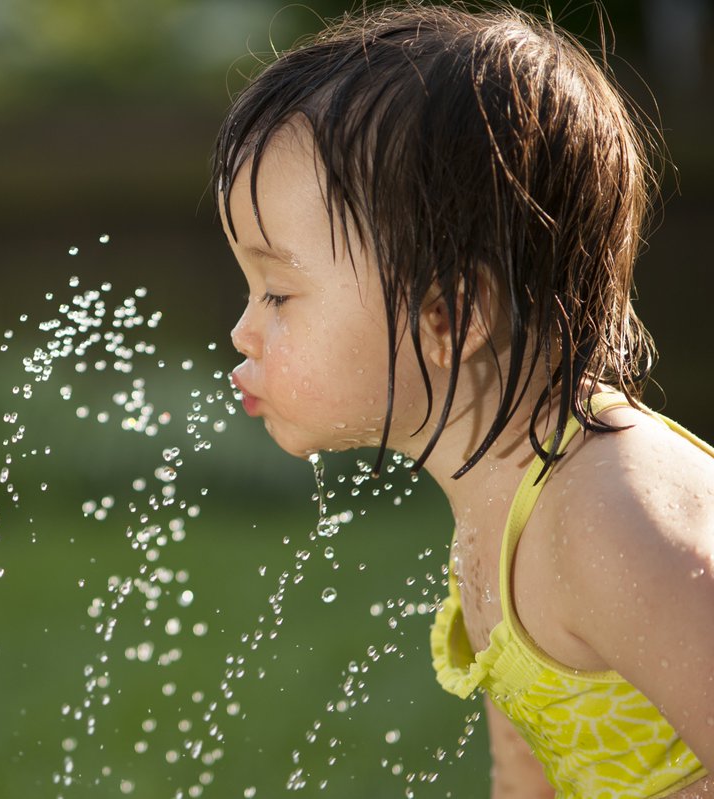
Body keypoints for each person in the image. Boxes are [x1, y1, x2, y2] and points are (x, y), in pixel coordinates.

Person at [213, 3, 713, 797]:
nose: (242, 330)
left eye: (277, 291)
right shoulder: (498, 506)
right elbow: (528, 772)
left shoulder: (610, 517)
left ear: (450, 317)